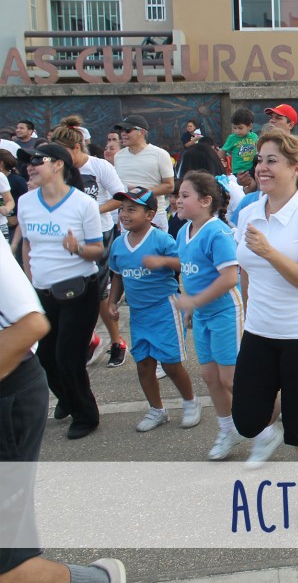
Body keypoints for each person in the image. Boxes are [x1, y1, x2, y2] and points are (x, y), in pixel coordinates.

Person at [0, 232, 127, 583]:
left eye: (37, 168)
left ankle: (99, 580)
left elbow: (31, 324)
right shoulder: (28, 204)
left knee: (10, 569)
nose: (31, 171)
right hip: (46, 295)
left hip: (9, 396)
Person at [233, 129, 298, 471]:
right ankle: (283, 395)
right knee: (247, 421)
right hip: (260, 333)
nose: (262, 167)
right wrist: (249, 312)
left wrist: (269, 251)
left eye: (272, 160)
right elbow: (246, 269)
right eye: (259, 160)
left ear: (295, 168)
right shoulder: (248, 214)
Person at [16, 143, 105, 440]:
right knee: (44, 358)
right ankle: (69, 398)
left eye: (37, 160)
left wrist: (76, 248)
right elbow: (28, 245)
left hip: (79, 291)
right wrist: (30, 283)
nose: (31, 165)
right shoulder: (27, 202)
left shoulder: (83, 204)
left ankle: (86, 415)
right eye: (28, 161)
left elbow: (97, 251)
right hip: (42, 292)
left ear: (58, 165)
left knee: (68, 358)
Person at [164, 172, 246, 460]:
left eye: (185, 195)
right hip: (202, 316)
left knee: (231, 379)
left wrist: (194, 301)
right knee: (210, 376)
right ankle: (228, 429)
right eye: (178, 195)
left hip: (225, 311)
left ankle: (268, 424)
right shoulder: (183, 232)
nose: (177, 200)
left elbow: (229, 277)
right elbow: (190, 272)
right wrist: (192, 309)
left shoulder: (217, 232)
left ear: (206, 200)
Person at [106, 186, 201, 432]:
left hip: (164, 308)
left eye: (132, 210)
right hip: (138, 312)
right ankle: (157, 409)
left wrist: (162, 261)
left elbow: (183, 263)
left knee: (171, 363)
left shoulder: (161, 239)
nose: (125, 215)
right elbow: (117, 275)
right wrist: (112, 301)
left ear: (149, 215)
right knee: (144, 363)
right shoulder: (118, 244)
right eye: (122, 209)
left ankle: (191, 402)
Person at [51, 126, 128, 368]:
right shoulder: (58, 168)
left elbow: (120, 197)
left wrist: (91, 210)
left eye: (61, 152)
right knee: (74, 289)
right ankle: (88, 338)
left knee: (99, 293)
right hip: (69, 235)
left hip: (99, 232)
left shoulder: (98, 166)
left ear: (76, 147)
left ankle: (116, 342)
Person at [114, 115, 174, 232]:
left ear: (142, 132)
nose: (123, 134)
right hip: (127, 217)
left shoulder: (160, 154)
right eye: (121, 130)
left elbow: (169, 186)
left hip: (153, 215)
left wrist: (139, 192)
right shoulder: (118, 156)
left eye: (127, 130)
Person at [222, 109, 259, 177]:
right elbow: (223, 151)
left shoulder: (254, 137)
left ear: (250, 126)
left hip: (252, 169)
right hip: (238, 172)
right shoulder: (232, 138)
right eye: (234, 128)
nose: (237, 131)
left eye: (240, 128)